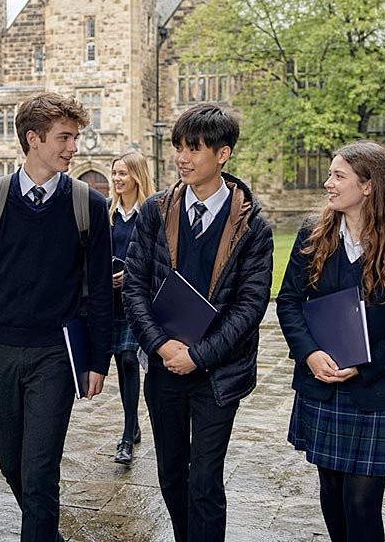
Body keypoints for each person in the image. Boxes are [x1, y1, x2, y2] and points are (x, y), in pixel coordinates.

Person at [0, 92, 112, 542]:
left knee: (40, 469)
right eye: (64, 137)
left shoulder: (89, 205)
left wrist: (98, 360)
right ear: (33, 139)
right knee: (12, 465)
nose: (73, 147)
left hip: (55, 356)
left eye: (75, 137)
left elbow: (100, 290)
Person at [122, 102, 273, 542]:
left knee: (205, 481)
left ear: (223, 154)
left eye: (194, 148)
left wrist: (199, 356)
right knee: (171, 474)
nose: (181, 158)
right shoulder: (155, 210)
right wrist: (162, 348)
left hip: (219, 373)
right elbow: (134, 287)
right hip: (165, 365)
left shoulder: (253, 225)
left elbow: (250, 305)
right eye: (178, 148)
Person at [276, 141, 385, 542]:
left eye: (338, 176)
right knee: (330, 490)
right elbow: (289, 303)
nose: (328, 183)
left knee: (361, 501)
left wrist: (363, 364)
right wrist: (310, 354)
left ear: (368, 185)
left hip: (376, 389)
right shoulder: (313, 233)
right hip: (320, 384)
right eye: (330, 174)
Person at [108, 150, 155, 465]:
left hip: (137, 301)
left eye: (122, 173)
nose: (116, 179)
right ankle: (132, 423)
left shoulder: (150, 214)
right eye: (114, 174)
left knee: (128, 359)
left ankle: (126, 437)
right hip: (110, 301)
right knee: (119, 363)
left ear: (137, 176)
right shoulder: (107, 214)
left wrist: (134, 273)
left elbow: (161, 258)